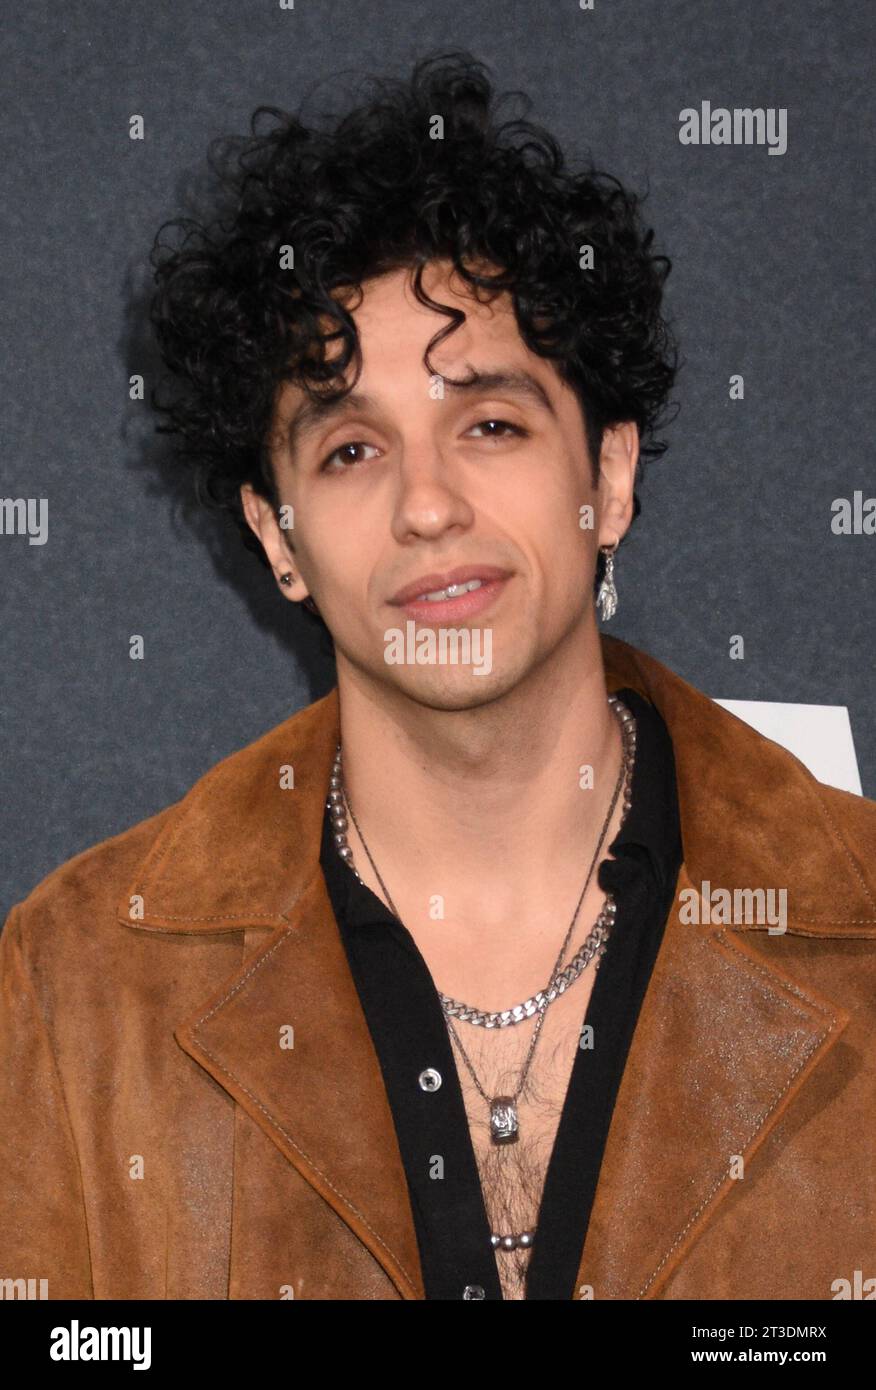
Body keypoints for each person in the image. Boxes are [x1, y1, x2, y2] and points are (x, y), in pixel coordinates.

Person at [2, 51, 874, 1302]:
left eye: (491, 424)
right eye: (353, 448)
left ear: (608, 477)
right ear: (276, 536)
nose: (425, 505)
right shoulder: (76, 987)